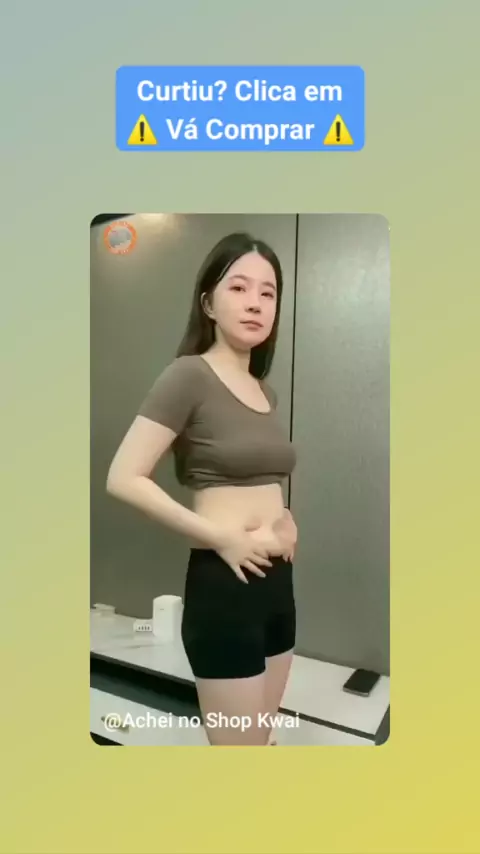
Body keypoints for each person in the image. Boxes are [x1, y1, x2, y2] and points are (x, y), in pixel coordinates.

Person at [106, 232, 298, 746]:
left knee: (263, 742)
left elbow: (258, 477)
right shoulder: (188, 376)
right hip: (226, 586)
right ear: (209, 303)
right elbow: (123, 477)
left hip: (279, 584)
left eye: (268, 292)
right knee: (238, 756)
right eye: (239, 287)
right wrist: (223, 538)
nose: (256, 302)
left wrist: (287, 520)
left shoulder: (265, 391)